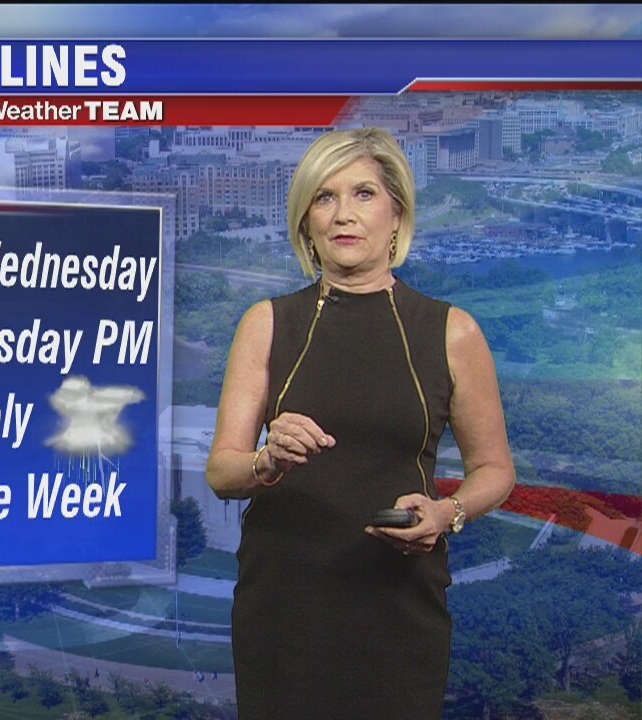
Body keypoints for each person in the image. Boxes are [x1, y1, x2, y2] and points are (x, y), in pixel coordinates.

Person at [204, 127, 515, 719]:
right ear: (307, 223)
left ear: (396, 215)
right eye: (324, 197)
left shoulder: (453, 332)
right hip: (283, 610)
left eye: (363, 194)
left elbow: (496, 469)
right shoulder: (265, 324)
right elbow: (222, 471)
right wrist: (267, 461)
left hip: (399, 607)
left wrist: (447, 513)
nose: (343, 213)